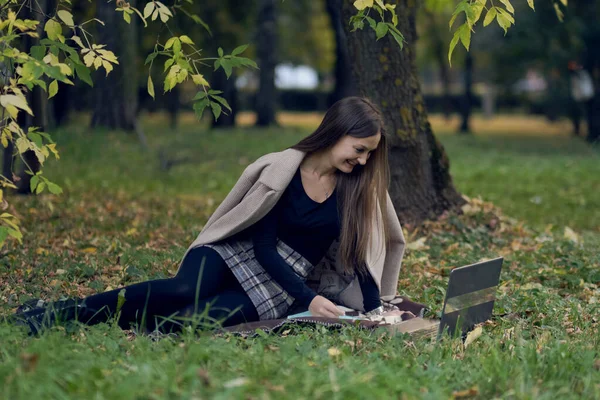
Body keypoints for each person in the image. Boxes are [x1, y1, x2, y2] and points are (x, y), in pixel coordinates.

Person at [13, 96, 408, 336]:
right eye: (358, 149)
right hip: (239, 251)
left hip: (283, 278)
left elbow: (359, 256)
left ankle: (119, 322)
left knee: (187, 322)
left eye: (370, 153)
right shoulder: (282, 171)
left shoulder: (355, 189)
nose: (363, 160)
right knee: (183, 289)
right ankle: (61, 312)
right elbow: (264, 246)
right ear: (335, 133)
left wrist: (376, 309)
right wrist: (309, 299)